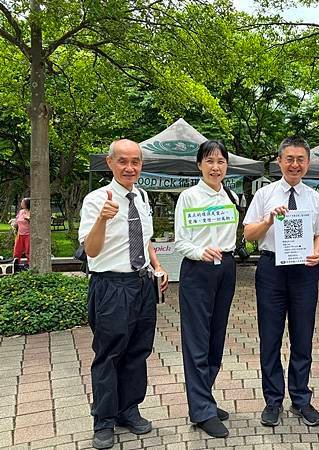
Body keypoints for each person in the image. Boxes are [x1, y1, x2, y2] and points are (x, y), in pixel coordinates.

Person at [79, 139, 168, 450]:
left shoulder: (141, 196)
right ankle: (103, 420)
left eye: (136, 162)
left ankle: (128, 410)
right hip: (110, 286)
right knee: (109, 354)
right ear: (110, 163)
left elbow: (144, 240)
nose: (130, 167)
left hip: (142, 285)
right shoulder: (95, 200)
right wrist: (103, 218)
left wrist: (157, 266)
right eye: (123, 161)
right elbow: (90, 251)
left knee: (138, 351)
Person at [243, 136, 319, 428]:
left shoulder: (315, 198)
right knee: (270, 336)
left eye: (300, 159)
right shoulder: (265, 195)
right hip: (271, 270)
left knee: (302, 336)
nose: (295, 164)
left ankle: (301, 399)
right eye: (289, 159)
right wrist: (268, 220)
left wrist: (317, 252)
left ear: (307, 163)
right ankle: (273, 400)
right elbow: (249, 235)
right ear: (279, 161)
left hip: (304, 272)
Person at [174, 140, 238, 438]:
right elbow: (180, 241)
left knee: (216, 336)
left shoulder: (232, 195)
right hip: (198, 270)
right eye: (209, 161)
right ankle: (201, 411)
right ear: (199, 164)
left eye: (221, 162)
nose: (216, 167)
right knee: (197, 339)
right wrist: (201, 253)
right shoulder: (188, 197)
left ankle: (204, 400)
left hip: (225, 269)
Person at [12, 197, 31, 265]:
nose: (21, 203)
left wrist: (28, 218)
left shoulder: (31, 212)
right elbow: (17, 220)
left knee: (28, 251)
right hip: (20, 234)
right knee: (17, 251)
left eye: (22, 202)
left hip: (28, 234)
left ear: (27, 204)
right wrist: (14, 223)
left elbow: (34, 222)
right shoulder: (21, 211)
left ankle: (31, 266)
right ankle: (16, 266)